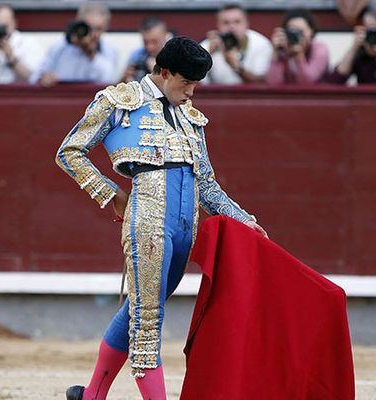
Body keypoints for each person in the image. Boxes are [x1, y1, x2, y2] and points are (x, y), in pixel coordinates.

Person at [56, 36, 267, 400]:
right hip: (149, 223)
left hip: (185, 228)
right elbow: (69, 151)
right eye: (186, 82)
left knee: (139, 312)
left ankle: (91, 395)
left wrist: (243, 219)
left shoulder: (190, 117)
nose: (191, 92)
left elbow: (207, 186)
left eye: (196, 84)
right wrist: (111, 195)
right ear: (164, 72)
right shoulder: (119, 102)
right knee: (147, 323)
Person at [31, 1, 118, 87]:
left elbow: (108, 81)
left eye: (98, 29)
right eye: (88, 28)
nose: (92, 34)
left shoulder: (110, 50)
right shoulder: (60, 46)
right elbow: (34, 78)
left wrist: (90, 53)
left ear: (106, 27)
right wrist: (43, 78)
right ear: (79, 25)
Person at [201, 4, 273, 84]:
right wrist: (207, 56)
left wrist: (237, 67)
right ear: (218, 25)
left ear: (246, 24)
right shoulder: (207, 46)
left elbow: (260, 82)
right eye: (226, 23)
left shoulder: (261, 44)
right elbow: (196, 82)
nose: (231, 27)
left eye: (237, 22)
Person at [266, 8, 329, 84]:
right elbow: (272, 83)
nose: (297, 35)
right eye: (292, 31)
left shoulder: (319, 49)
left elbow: (308, 82)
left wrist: (299, 56)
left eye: (301, 31)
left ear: (311, 31)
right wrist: (275, 53)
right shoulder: (282, 50)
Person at [121, 16, 173, 83]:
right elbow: (117, 86)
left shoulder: (175, 56)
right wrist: (124, 77)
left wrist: (157, 73)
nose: (149, 47)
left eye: (154, 41)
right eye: (145, 42)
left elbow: (177, 89)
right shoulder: (136, 56)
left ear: (165, 36)